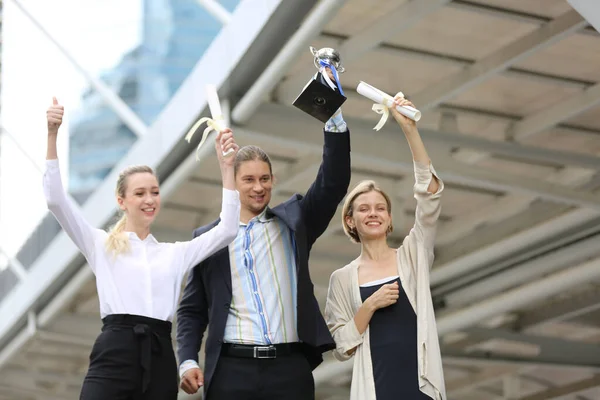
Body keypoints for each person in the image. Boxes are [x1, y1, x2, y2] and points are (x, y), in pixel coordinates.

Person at [44, 97, 241, 400]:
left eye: (155, 192)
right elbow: (56, 200)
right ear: (122, 201)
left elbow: (228, 229)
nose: (150, 199)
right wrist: (52, 134)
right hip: (114, 353)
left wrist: (227, 168)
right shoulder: (99, 244)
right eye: (140, 193)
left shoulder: (174, 254)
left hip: (160, 354)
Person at [176, 85, 352, 399]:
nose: (259, 187)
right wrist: (187, 360)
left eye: (265, 179)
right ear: (234, 181)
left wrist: (332, 117)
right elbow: (192, 310)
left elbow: (333, 182)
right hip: (231, 372)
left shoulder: (294, 223)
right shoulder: (207, 240)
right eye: (249, 180)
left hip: (289, 370)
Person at [324, 95, 447, 400]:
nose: (373, 213)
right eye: (364, 209)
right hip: (376, 390)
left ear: (390, 219)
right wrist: (369, 305)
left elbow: (430, 196)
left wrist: (410, 130)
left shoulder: (412, 255)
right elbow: (342, 346)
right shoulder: (341, 279)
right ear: (350, 221)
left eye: (380, 208)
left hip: (422, 388)